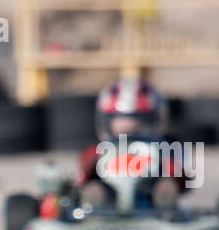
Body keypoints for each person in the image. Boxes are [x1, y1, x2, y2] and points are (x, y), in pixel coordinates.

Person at [76, 76, 181, 208]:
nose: (128, 129)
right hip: (110, 198)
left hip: (149, 196)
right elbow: (82, 179)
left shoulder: (165, 149)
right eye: (121, 121)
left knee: (166, 188)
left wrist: (171, 167)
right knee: (94, 190)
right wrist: (91, 166)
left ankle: (165, 209)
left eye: (137, 122)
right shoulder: (99, 150)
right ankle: (94, 208)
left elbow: (185, 181)